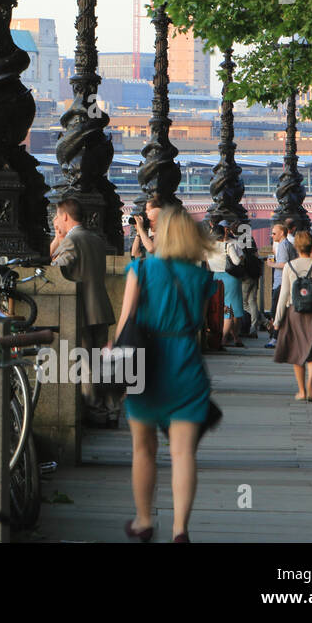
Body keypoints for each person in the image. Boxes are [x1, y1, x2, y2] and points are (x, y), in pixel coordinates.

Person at [111, 204, 217, 544]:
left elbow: (126, 322)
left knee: (143, 448)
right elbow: (198, 324)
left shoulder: (139, 270)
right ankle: (180, 530)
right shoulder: (202, 278)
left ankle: (144, 521)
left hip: (146, 364)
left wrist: (113, 359)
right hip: (185, 362)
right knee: (183, 453)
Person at [50, 197, 118, 427]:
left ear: (66, 216)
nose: (56, 220)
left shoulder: (72, 241)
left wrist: (58, 239)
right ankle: (111, 410)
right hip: (100, 307)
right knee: (99, 364)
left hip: (81, 310)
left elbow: (55, 271)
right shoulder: (95, 239)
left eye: (58, 216)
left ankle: (95, 412)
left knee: (85, 363)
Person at [273, 230, 312, 401]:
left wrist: (277, 319)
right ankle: (311, 385)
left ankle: (301, 390)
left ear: (296, 247)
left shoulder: (289, 266)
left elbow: (284, 295)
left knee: (297, 352)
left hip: (294, 312)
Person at [206, 223, 245, 347]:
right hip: (230, 279)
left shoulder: (208, 247)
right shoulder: (227, 245)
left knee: (219, 307)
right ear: (223, 235)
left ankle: (223, 337)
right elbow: (237, 261)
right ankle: (224, 339)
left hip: (215, 277)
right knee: (230, 309)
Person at [264, 223, 298, 349]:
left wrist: (271, 264)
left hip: (281, 283)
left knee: (276, 311)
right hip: (285, 282)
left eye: (274, 233)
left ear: (281, 233)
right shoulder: (286, 245)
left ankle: (275, 338)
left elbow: (284, 264)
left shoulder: (283, 246)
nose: (271, 235)